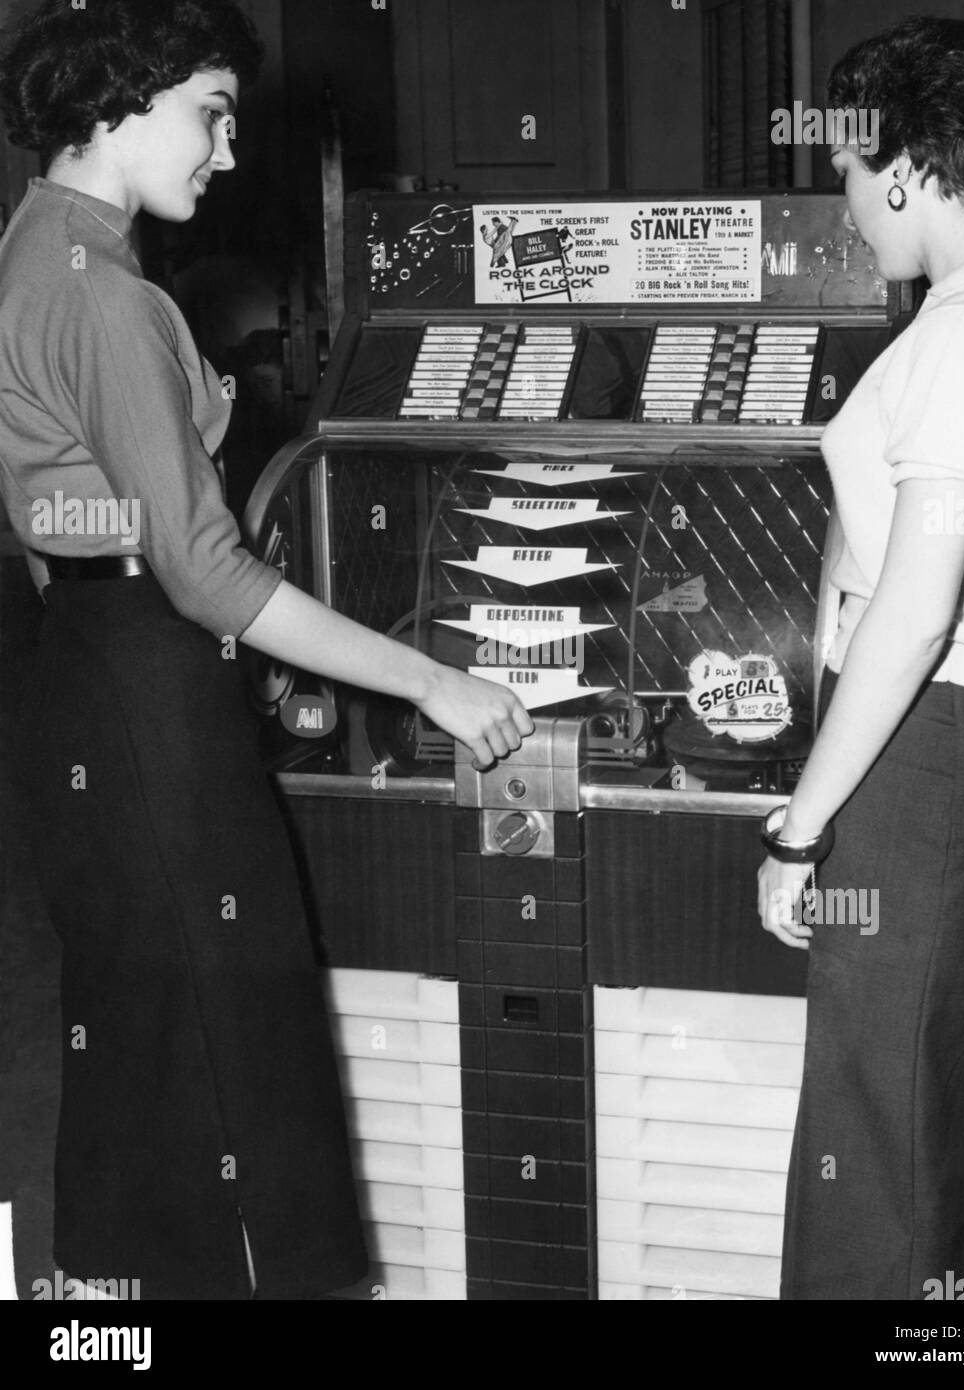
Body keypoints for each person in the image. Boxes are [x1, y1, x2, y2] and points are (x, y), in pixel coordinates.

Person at [0, 0, 532, 1301]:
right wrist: (436, 681)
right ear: (121, 102)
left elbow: (68, 521)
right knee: (227, 1027)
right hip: (147, 671)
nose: (229, 153)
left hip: (88, 663)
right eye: (212, 113)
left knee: (141, 1023)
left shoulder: (34, 243)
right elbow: (206, 567)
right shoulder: (107, 297)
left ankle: (101, 1309)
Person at [757, 16, 964, 1300]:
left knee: (877, 1136)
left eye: (845, 178)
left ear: (897, 166)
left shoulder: (954, 343)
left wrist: (799, 828)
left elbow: (915, 611)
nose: (847, 212)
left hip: (923, 760)